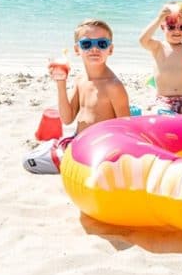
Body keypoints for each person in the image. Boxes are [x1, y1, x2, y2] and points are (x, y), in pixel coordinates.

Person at [23, 19, 131, 174]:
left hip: (99, 149)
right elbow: (67, 119)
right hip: (78, 139)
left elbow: (125, 130)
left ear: (111, 49)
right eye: (87, 44)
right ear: (77, 49)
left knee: (30, 162)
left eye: (102, 44)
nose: (94, 49)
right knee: (35, 155)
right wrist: (61, 82)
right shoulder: (80, 79)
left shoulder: (113, 86)